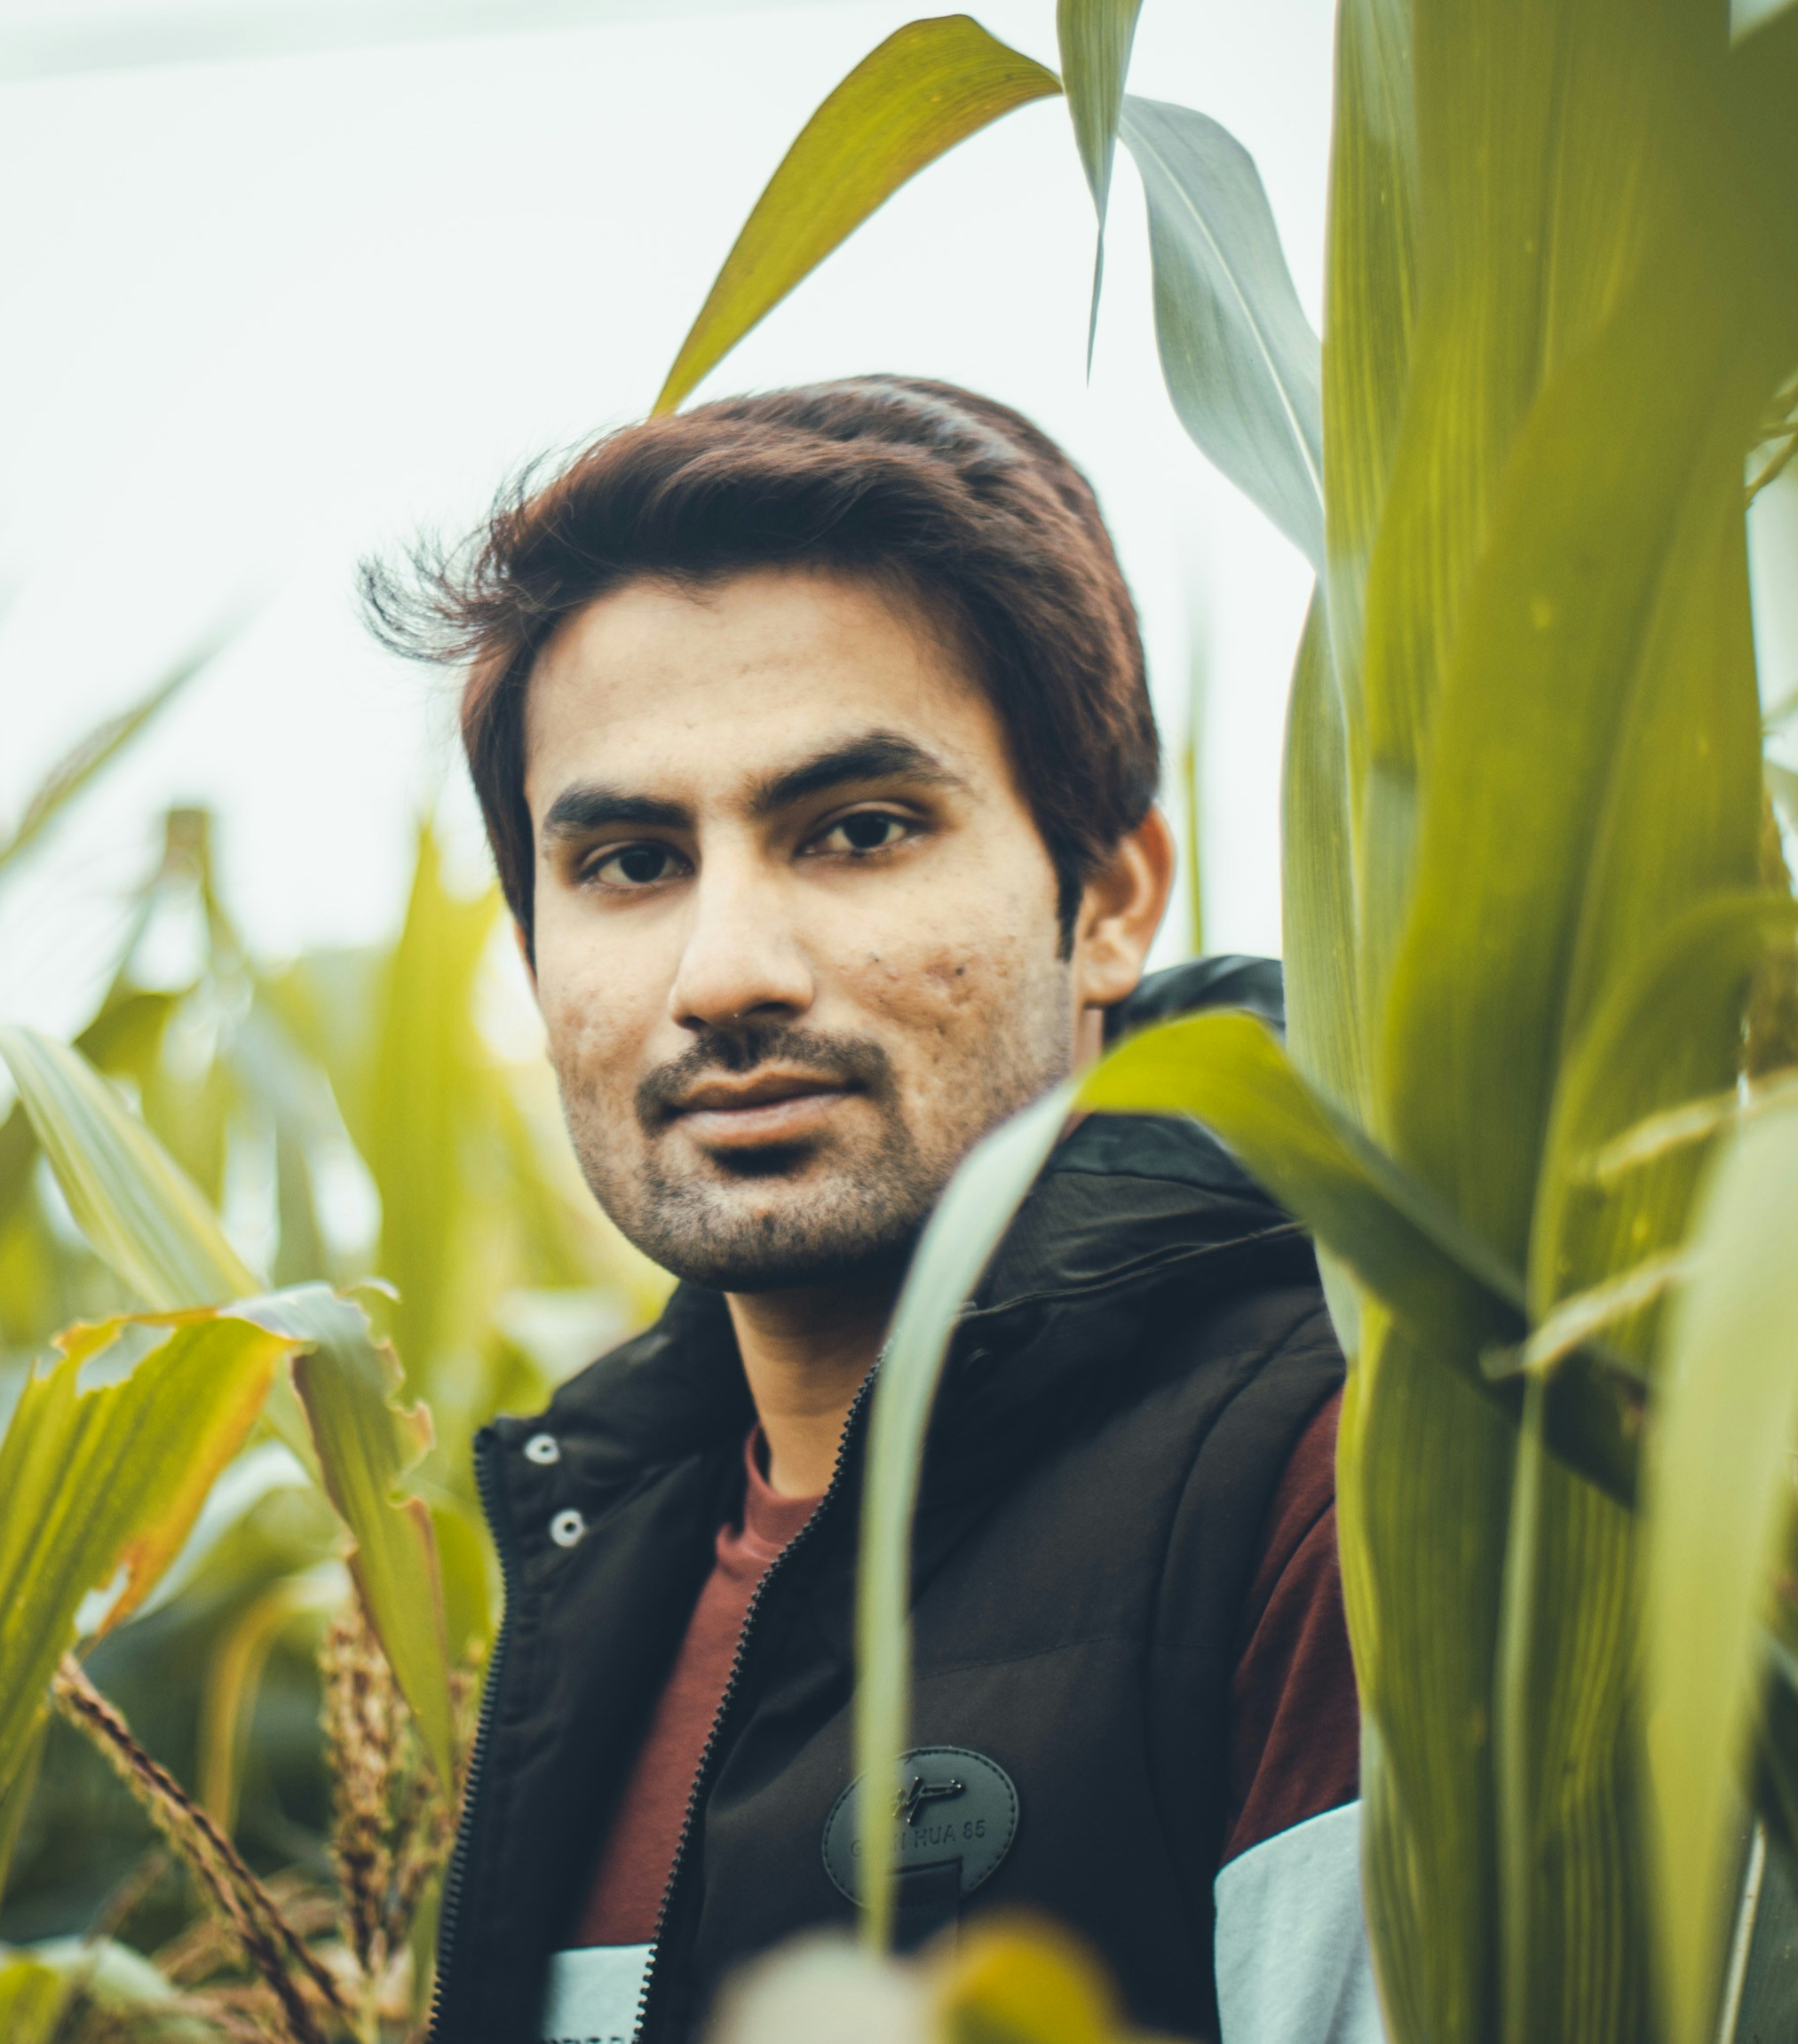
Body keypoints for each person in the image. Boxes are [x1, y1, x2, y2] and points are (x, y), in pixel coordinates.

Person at [365, 376, 1378, 2044]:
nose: (726, 974)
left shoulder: (1331, 1484)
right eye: (629, 860)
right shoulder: (595, 1569)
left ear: (1108, 898)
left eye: (855, 830)